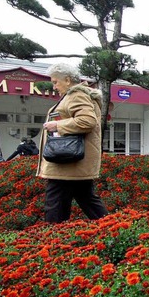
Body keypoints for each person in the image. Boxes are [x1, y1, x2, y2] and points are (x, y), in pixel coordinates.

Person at [37, 63, 108, 224]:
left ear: (68, 80)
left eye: (55, 82)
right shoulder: (77, 95)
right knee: (88, 200)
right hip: (73, 162)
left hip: (66, 163)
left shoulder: (76, 95)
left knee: (55, 206)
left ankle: (52, 241)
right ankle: (116, 229)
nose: (54, 86)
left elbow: (87, 121)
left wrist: (57, 125)